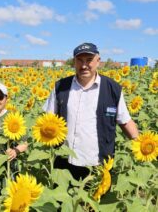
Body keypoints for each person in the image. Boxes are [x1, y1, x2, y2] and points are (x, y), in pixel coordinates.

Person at [43, 42, 139, 180]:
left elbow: (125, 121)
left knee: (96, 200)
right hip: (64, 162)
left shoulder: (112, 88)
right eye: (79, 60)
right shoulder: (60, 87)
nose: (84, 65)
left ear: (98, 61)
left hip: (99, 163)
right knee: (63, 200)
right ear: (74, 62)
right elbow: (47, 120)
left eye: (89, 60)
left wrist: (141, 144)